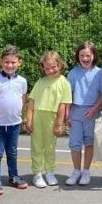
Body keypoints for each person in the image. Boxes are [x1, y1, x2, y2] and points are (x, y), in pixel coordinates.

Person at [26, 50, 72, 188]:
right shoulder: (40, 81)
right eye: (47, 68)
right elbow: (31, 103)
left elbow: (63, 106)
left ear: (60, 65)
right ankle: (37, 173)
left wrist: (59, 124)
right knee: (37, 146)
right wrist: (29, 120)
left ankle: (50, 172)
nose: (50, 70)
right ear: (43, 68)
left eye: (53, 67)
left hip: (52, 117)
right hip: (37, 116)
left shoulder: (64, 82)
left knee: (50, 147)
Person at [0, 45, 28, 195]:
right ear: (1, 62)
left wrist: (21, 117)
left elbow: (22, 99)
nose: (10, 65)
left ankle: (14, 176)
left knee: (12, 152)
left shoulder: (22, 81)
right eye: (6, 62)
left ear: (19, 63)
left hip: (14, 124)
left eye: (13, 62)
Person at [65, 42, 102, 186]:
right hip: (76, 112)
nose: (85, 58)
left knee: (89, 142)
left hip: (92, 113)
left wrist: (95, 109)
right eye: (82, 55)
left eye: (88, 55)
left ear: (93, 56)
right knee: (75, 144)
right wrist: (67, 114)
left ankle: (86, 171)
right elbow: (67, 95)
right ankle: (76, 170)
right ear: (78, 57)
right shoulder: (72, 73)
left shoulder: (100, 73)